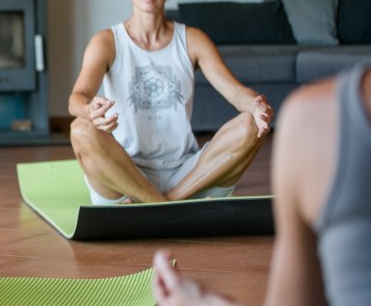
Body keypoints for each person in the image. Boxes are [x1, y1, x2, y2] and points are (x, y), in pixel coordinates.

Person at [68, 0, 273, 205]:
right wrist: (89, 110)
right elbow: (76, 98)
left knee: (251, 124)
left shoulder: (193, 40)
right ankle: (166, 206)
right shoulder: (106, 42)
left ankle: (160, 204)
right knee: (80, 129)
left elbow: (235, 92)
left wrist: (257, 107)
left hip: (186, 174)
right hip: (124, 174)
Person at [152, 63, 371, 305]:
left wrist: (204, 303)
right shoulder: (317, 118)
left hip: (184, 170)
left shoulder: (314, 119)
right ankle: (162, 201)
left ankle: (164, 201)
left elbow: (236, 93)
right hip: (137, 170)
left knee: (248, 124)